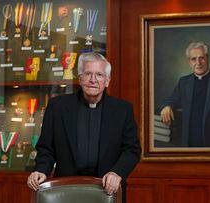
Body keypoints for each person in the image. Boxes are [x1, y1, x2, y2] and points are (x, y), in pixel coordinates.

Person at [27, 52, 141, 202]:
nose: (93, 80)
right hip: (65, 189)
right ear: (80, 78)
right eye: (88, 74)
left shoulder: (122, 110)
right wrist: (40, 170)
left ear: (107, 81)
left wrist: (117, 173)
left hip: (107, 190)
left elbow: (132, 150)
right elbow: (46, 148)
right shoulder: (57, 107)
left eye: (99, 75)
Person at [160, 42, 210, 147]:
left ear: (207, 58)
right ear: (189, 62)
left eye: (201, 58)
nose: (198, 63)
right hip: (188, 144)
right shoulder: (183, 82)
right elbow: (172, 99)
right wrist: (167, 106)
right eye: (193, 59)